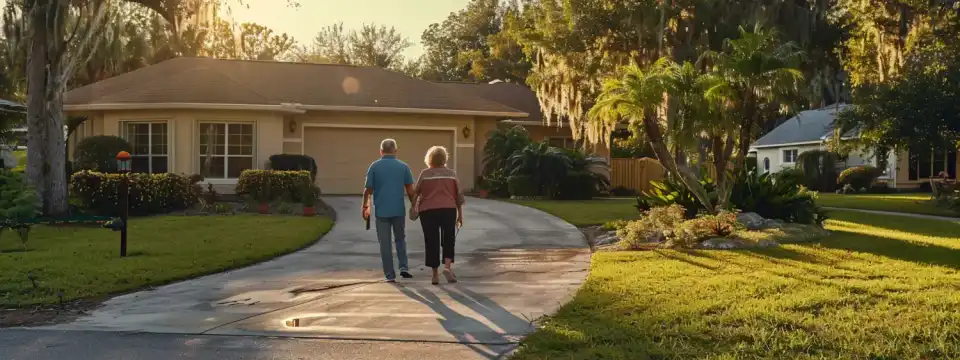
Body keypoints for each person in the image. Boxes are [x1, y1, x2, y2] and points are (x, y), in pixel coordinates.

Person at [362, 139, 416, 283]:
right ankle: (404, 267)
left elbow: (368, 191)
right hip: (398, 209)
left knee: (384, 243)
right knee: (400, 239)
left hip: (381, 211)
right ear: (396, 151)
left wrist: (365, 207)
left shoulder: (374, 167)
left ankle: (390, 275)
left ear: (381, 151)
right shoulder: (403, 167)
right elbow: (411, 191)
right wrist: (415, 206)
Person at [411, 146, 465, 285]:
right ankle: (447, 267)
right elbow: (458, 196)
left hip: (428, 211)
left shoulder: (425, 174)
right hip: (448, 209)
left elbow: (416, 192)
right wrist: (460, 215)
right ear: (444, 158)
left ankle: (435, 275)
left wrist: (413, 207)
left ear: (429, 159)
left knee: (431, 241)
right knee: (448, 238)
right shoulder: (451, 174)